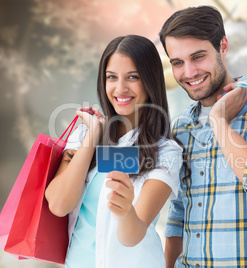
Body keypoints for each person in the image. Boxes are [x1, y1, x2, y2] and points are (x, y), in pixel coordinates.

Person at [159, 6, 247, 268]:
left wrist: (219, 121)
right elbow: (179, 212)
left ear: (223, 46)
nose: (189, 72)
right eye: (177, 63)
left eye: (198, 57)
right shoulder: (181, 126)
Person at [45, 35, 184, 268]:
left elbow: (133, 235)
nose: (120, 88)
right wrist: (93, 134)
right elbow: (59, 205)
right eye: (112, 77)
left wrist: (126, 209)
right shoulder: (82, 135)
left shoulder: (166, 151)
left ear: (151, 81)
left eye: (133, 77)